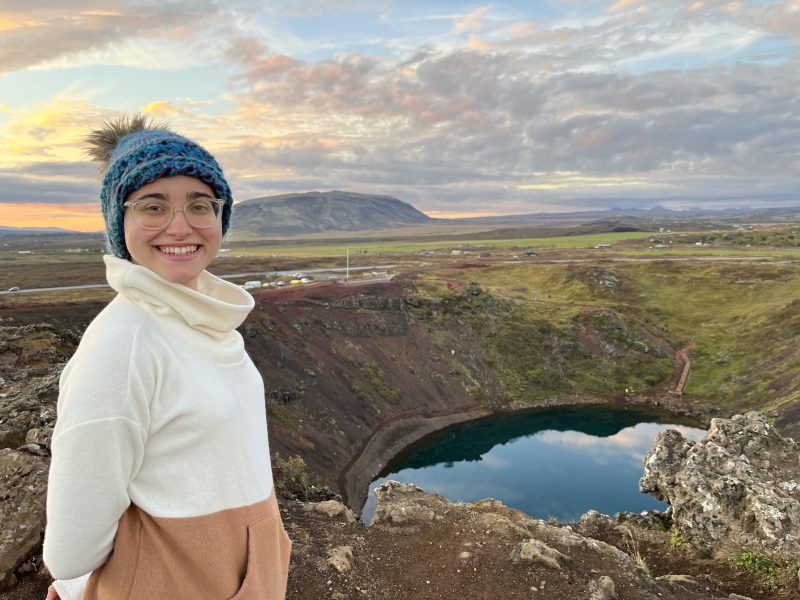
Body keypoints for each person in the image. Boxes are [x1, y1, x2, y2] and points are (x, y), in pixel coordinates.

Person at [43, 115, 291, 599]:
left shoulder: (205, 320)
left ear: (220, 218)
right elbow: (70, 552)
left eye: (199, 205)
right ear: (119, 223)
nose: (180, 227)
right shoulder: (122, 346)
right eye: (152, 206)